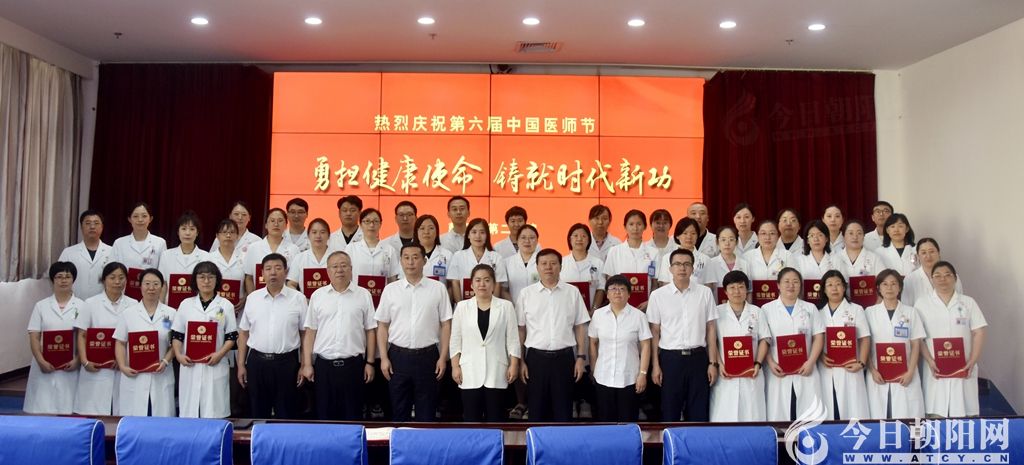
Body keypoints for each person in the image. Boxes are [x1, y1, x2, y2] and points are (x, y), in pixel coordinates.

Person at [377, 244, 454, 422]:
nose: (410, 262)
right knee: (399, 413)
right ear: (401, 261)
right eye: (406, 257)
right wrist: (384, 358)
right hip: (397, 357)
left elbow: (446, 325)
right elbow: (382, 326)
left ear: (424, 261)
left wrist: (443, 357)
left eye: (415, 257)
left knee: (426, 415)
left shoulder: (438, 288)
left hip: (428, 357)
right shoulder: (391, 290)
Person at [301, 251, 377, 421]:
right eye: (334, 266)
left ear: (351, 269)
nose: (339, 270)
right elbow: (310, 332)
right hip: (324, 367)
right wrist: (307, 364)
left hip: (353, 365)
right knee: (324, 416)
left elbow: (370, 330)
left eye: (343, 265)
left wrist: (370, 362)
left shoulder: (363, 294)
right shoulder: (318, 296)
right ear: (327, 271)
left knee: (352, 415)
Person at [517, 248, 590, 422]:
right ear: (537, 267)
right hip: (535, 360)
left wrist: (581, 357)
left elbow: (580, 326)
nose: (548, 267)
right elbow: (521, 329)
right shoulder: (526, 294)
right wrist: (521, 361)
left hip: (564, 359)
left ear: (560, 266)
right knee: (536, 412)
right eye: (544, 263)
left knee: (563, 412)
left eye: (553, 263)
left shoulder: (572, 292)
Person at [648, 249, 719, 422]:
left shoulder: (704, 293)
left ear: (693, 268)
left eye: (687, 264)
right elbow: (654, 332)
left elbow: (711, 329)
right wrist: (655, 365)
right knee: (670, 410)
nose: (682, 268)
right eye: (677, 264)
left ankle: (696, 441)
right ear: (670, 269)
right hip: (670, 360)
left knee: (698, 411)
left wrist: (712, 363)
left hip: (698, 358)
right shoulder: (658, 296)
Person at [237, 253, 308, 419]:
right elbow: (244, 333)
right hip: (257, 363)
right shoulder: (253, 298)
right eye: (268, 269)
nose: (273, 272)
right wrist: (241, 364)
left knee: (286, 413)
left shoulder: (298, 299)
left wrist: (304, 364)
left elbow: (305, 334)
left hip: (287, 363)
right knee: (257, 412)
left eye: (278, 268)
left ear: (286, 271)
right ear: (262, 273)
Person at [915, 261, 987, 417]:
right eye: (937, 276)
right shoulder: (922, 304)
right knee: (936, 413)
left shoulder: (968, 302)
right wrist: (929, 360)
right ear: (931, 280)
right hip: (934, 366)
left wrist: (972, 361)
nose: (943, 279)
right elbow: (918, 337)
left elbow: (979, 332)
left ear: (955, 278)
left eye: (947, 275)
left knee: (965, 415)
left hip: (964, 365)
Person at [450, 264, 521, 422]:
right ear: (471, 284)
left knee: (496, 418)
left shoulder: (506, 307)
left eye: (487, 280)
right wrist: (455, 366)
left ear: (494, 284)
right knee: (471, 420)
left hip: (497, 370)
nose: (482, 284)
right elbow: (455, 339)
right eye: (478, 280)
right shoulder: (462, 307)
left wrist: (514, 364)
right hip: (469, 371)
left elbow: (513, 339)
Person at [171, 261, 238, 418]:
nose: (206, 281)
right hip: (190, 365)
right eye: (201, 277)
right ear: (195, 280)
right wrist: (178, 355)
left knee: (214, 412)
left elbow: (231, 336)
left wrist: (219, 355)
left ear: (217, 280)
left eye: (210, 277)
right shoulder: (186, 304)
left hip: (215, 364)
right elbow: (177, 334)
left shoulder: (225, 305)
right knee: (190, 413)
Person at [73, 262, 138, 415]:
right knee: (93, 410)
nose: (117, 282)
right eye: (112, 277)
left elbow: (134, 336)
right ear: (103, 280)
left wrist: (122, 361)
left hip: (122, 365)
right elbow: (82, 335)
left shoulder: (133, 304)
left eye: (121, 278)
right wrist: (85, 361)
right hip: (96, 366)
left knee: (122, 411)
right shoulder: (90, 303)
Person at [762, 267, 825, 422]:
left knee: (808, 415)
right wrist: (770, 362)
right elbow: (764, 339)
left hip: (806, 369)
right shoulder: (766, 309)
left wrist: (811, 362)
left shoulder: (810, 308)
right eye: (787, 282)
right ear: (778, 285)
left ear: (801, 285)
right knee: (779, 415)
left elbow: (818, 337)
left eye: (795, 282)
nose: (791, 285)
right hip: (777, 369)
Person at [24, 262, 85, 414]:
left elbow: (84, 337)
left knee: (69, 410)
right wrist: (41, 361)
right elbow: (34, 336)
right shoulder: (41, 306)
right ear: (52, 280)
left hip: (71, 363)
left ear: (73, 279)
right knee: (43, 409)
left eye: (67, 276)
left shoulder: (82, 306)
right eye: (59, 277)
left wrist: (78, 360)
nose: (63, 280)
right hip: (45, 363)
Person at [589, 275, 651, 422]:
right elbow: (593, 342)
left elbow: (646, 345)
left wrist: (642, 374)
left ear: (629, 294)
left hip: (629, 378)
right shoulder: (598, 315)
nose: (617, 292)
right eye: (613, 289)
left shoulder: (638, 316)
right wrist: (593, 368)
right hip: (603, 376)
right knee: (605, 422)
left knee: (627, 421)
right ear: (607, 294)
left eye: (622, 289)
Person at [113, 268, 175, 416]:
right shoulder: (128, 313)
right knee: (135, 418)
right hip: (134, 376)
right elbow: (120, 342)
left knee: (161, 418)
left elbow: (175, 344)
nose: (151, 288)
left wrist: (165, 361)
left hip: (161, 373)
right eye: (147, 283)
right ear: (140, 286)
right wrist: (122, 366)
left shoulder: (171, 313)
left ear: (162, 287)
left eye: (156, 284)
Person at [864, 270, 925, 419]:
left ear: (900, 287)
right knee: (878, 415)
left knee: (907, 415)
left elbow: (916, 344)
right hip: (878, 372)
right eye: (885, 284)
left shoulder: (911, 312)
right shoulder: (869, 312)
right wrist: (872, 370)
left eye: (893, 284)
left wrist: (910, 371)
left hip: (906, 373)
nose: (889, 288)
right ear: (878, 288)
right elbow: (865, 344)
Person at [710, 270, 769, 422]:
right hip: (725, 372)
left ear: (747, 290)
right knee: (725, 416)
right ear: (725, 291)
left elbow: (764, 339)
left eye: (741, 287)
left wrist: (758, 363)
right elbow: (712, 341)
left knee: (752, 416)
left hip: (752, 372)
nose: (737, 291)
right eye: (732, 287)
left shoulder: (757, 312)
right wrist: (719, 364)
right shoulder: (717, 312)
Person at [816, 270, 871, 420]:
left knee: (852, 409)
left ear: (844, 287)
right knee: (829, 409)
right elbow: (814, 339)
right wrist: (820, 356)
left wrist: (861, 363)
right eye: (829, 285)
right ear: (824, 289)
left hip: (851, 368)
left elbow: (865, 338)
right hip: (826, 368)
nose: (834, 288)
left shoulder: (856, 309)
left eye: (838, 284)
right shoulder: (818, 312)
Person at [602, 209, 658, 310]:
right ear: (625, 227)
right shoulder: (614, 251)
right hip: (619, 305)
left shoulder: (653, 252)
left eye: (639, 224)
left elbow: (655, 283)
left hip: (646, 306)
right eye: (631, 224)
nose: (635, 228)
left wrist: (649, 302)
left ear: (645, 227)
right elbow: (610, 281)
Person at [111, 203, 167, 300]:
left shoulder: (160, 243)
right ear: (129, 219)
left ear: (150, 219)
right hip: (124, 294)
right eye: (135, 216)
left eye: (144, 216)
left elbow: (162, 272)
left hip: (151, 293)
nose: (140, 220)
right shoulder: (119, 243)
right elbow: (112, 271)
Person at [244, 208, 302, 294]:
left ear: (286, 225)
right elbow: (249, 278)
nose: (276, 224)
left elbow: (294, 281)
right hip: (259, 297)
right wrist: (252, 298)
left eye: (280, 221)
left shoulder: (294, 249)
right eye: (272, 221)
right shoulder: (253, 248)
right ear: (266, 225)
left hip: (286, 297)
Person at [59, 210, 113, 299]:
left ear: (102, 227)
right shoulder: (68, 253)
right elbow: (59, 279)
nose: (92, 227)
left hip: (103, 303)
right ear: (81, 227)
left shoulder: (112, 252)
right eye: (88, 223)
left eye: (96, 223)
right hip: (75, 302)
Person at [158, 211, 209, 305]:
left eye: (192, 229)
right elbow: (163, 284)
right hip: (170, 307)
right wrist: (160, 307)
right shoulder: (166, 255)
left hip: (196, 307)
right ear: (178, 232)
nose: (187, 233)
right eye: (184, 229)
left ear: (197, 232)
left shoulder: (206, 256)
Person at [448, 218, 504, 303]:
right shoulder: (458, 256)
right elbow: (455, 283)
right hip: (464, 304)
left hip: (489, 305)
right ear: (468, 235)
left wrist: (493, 307)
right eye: (474, 232)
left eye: (482, 232)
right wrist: (461, 306)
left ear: (487, 235)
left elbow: (497, 284)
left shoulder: (496, 257)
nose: (478, 236)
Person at [347, 208, 401, 291]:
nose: (371, 225)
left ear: (380, 224)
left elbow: (392, 279)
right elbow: (346, 276)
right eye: (367, 221)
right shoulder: (351, 248)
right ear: (360, 224)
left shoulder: (389, 250)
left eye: (375, 221)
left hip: (382, 296)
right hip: (356, 295)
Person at [560, 223, 607, 311]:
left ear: (589, 240)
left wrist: (593, 310)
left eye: (583, 236)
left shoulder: (598, 263)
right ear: (570, 239)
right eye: (575, 236)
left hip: (590, 312)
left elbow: (601, 288)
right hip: (565, 311)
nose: (579, 239)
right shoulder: (561, 262)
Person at [902, 238, 962, 306]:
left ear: (938, 253)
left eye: (931, 251)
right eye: (923, 253)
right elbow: (907, 307)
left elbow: (960, 302)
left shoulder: (952, 276)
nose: (928, 256)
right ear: (918, 256)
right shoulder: (910, 279)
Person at [656, 217, 711, 288]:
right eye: (685, 233)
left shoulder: (706, 259)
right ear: (677, 236)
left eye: (693, 233)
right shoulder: (667, 258)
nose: (689, 237)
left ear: (698, 236)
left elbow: (708, 285)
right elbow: (665, 285)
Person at [286, 218, 334, 297]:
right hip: (306, 302)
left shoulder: (336, 257)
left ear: (328, 235)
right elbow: (291, 284)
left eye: (322, 232)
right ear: (308, 235)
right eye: (314, 232)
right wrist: (301, 298)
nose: (318, 236)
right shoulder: (300, 258)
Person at [208, 219, 247, 312]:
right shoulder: (209, 258)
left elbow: (249, 281)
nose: (228, 235)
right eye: (224, 232)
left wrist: (245, 297)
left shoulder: (245, 257)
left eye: (232, 232)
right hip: (214, 306)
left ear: (237, 236)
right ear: (217, 236)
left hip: (239, 307)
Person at [499, 224, 539, 302]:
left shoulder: (543, 262)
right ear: (517, 241)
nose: (527, 241)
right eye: (523, 237)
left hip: (539, 306)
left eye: (532, 238)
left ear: (537, 241)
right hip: (514, 306)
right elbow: (504, 290)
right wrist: (513, 306)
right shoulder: (507, 263)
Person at [704, 226, 751, 293]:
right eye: (723, 240)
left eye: (731, 240)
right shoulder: (711, 264)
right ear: (717, 242)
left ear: (737, 242)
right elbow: (707, 291)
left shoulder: (744, 264)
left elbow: (749, 290)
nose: (727, 244)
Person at [410, 214, 454, 283]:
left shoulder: (447, 255)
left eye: (431, 228)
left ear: (437, 231)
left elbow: (452, 283)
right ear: (416, 232)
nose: (426, 232)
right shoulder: (408, 254)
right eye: (422, 228)